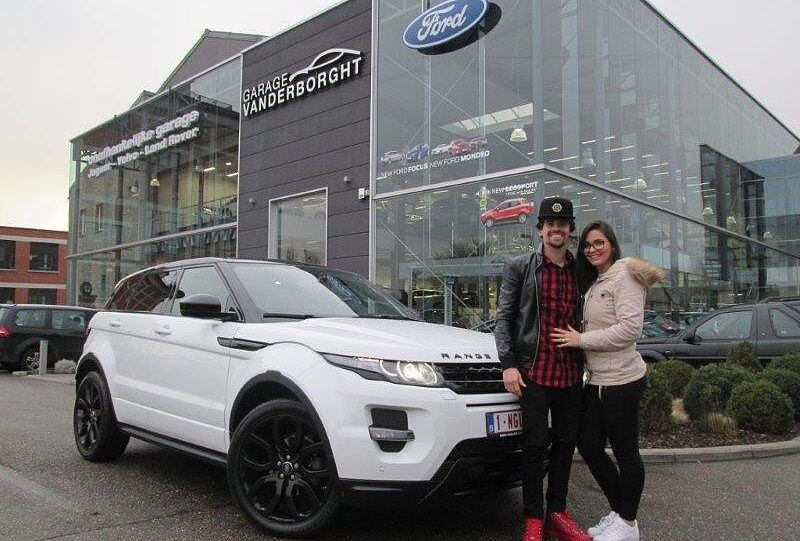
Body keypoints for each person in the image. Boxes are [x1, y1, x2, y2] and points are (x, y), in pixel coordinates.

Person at [551, 221, 664, 541]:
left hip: (623, 380)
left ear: (612, 244)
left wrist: (580, 340)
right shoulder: (598, 279)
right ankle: (622, 514)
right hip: (598, 380)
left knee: (626, 452)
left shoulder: (626, 275)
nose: (592, 249)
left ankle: (627, 523)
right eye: (586, 245)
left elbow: (630, 330)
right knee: (588, 445)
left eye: (599, 242)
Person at [494, 197, 591, 541]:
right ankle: (533, 519)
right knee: (535, 446)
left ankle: (558, 514)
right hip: (534, 372)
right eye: (550, 224)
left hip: (570, 374)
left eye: (562, 224)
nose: (556, 229)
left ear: (570, 230)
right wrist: (508, 364)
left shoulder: (581, 270)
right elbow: (504, 319)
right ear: (540, 230)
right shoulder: (520, 267)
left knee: (565, 444)